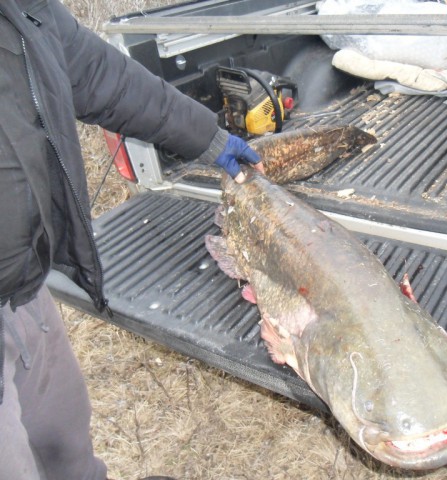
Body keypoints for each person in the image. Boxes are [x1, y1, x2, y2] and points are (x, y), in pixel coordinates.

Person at [0, 0, 263, 478]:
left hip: (22, 289)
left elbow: (103, 76)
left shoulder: (22, 9)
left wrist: (209, 137)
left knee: (63, 438)